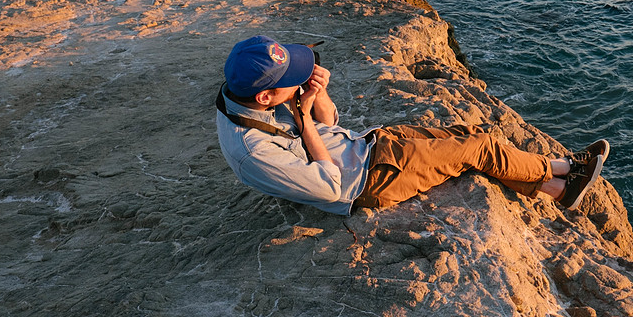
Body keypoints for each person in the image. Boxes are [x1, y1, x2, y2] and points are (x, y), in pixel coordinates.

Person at [216, 35, 609, 216]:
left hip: (369, 145)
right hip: (369, 180)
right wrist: (302, 120)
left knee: (468, 135)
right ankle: (559, 175)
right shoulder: (253, 153)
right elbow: (330, 186)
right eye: (291, 79)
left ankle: (556, 185)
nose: (301, 79)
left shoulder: (242, 94)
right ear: (266, 97)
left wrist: (315, 96)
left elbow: (331, 123)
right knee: (479, 148)